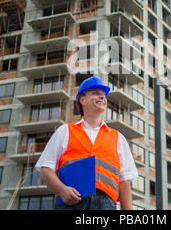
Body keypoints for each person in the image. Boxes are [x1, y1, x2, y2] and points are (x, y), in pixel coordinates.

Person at [35, 76, 138, 210]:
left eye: (104, 95)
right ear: (82, 100)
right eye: (96, 93)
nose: (102, 97)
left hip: (106, 205)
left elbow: (124, 183)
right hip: (70, 203)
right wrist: (61, 190)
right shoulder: (65, 131)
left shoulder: (118, 138)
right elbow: (45, 169)